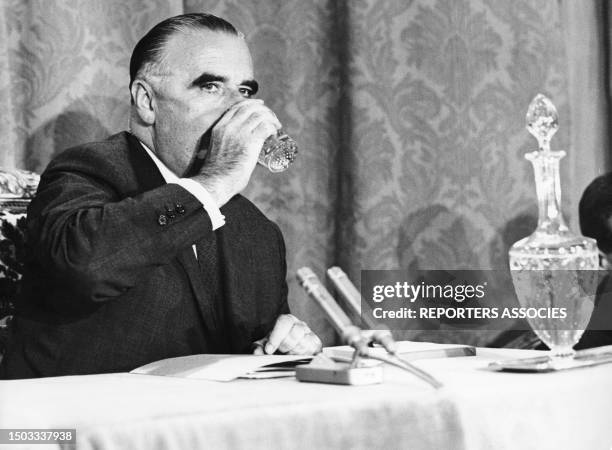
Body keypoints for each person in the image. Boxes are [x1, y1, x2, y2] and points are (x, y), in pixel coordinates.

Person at [0, 13, 321, 379]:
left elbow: (239, 353)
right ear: (147, 101)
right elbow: (87, 267)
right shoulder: (85, 171)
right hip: (78, 426)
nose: (238, 109)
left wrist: (284, 345)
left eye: (245, 91)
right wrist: (216, 182)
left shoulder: (257, 231)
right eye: (211, 86)